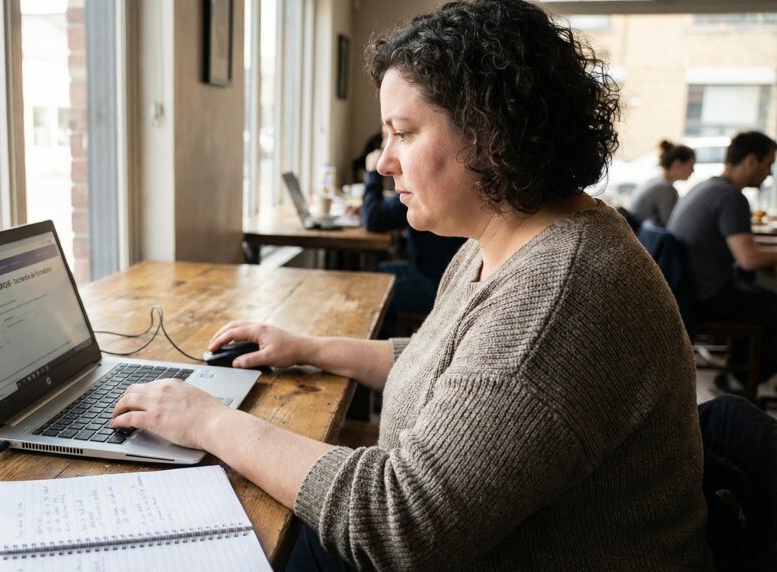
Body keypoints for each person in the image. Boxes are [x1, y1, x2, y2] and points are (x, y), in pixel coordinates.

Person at [111, 1, 711, 569]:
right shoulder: (504, 238)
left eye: (404, 132)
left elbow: (400, 524)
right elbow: (448, 367)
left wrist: (210, 422)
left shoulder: (559, 298)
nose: (382, 161)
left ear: (492, 134)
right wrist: (311, 348)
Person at [668, 131, 777, 387]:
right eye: (769, 164)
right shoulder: (731, 197)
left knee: (757, 295)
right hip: (706, 297)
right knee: (768, 304)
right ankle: (740, 381)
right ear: (751, 161)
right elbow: (748, 259)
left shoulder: (706, 187)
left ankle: (735, 374)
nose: (769, 173)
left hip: (687, 290)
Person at [358, 131, 466, 337]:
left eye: (399, 134)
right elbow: (382, 212)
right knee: (369, 275)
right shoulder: (415, 187)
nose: (383, 146)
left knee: (374, 294)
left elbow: (374, 219)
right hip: (421, 268)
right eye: (384, 136)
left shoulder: (427, 186)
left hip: (437, 282)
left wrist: (372, 173)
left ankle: (384, 349)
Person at [628, 140, 696, 226]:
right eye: (691, 165)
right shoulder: (666, 189)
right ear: (677, 165)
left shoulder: (655, 181)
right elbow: (673, 225)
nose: (693, 170)